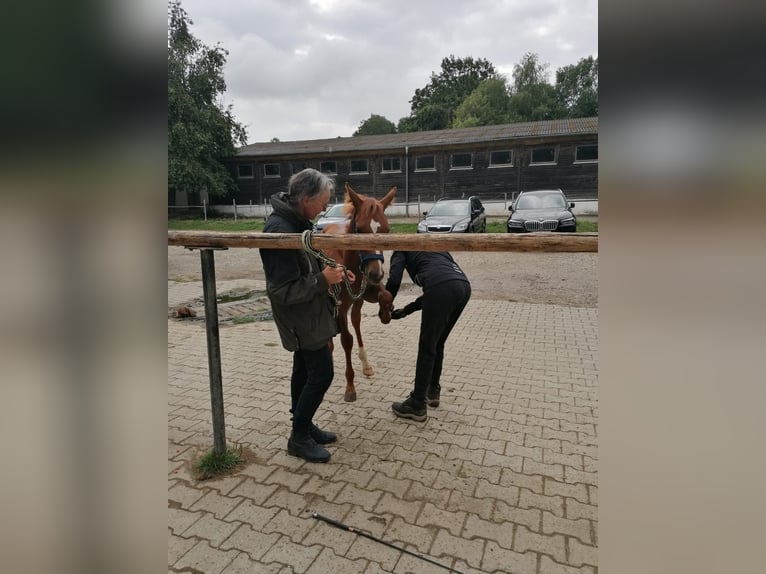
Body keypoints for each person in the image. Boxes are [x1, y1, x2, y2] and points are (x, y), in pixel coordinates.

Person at [259, 168, 354, 463]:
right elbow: (282, 291)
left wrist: (334, 272)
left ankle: (304, 424)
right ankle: (298, 436)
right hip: (298, 315)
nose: (325, 208)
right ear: (303, 198)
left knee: (303, 368)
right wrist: (324, 280)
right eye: (322, 202)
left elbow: (310, 261)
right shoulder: (279, 231)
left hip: (309, 312)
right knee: (322, 373)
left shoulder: (296, 222)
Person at [383, 251, 471, 421]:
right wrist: (406, 311)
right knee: (437, 342)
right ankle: (432, 390)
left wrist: (385, 306)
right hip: (463, 287)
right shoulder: (435, 247)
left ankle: (416, 403)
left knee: (427, 346)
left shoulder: (401, 249)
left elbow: (394, 281)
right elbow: (440, 286)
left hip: (443, 287)